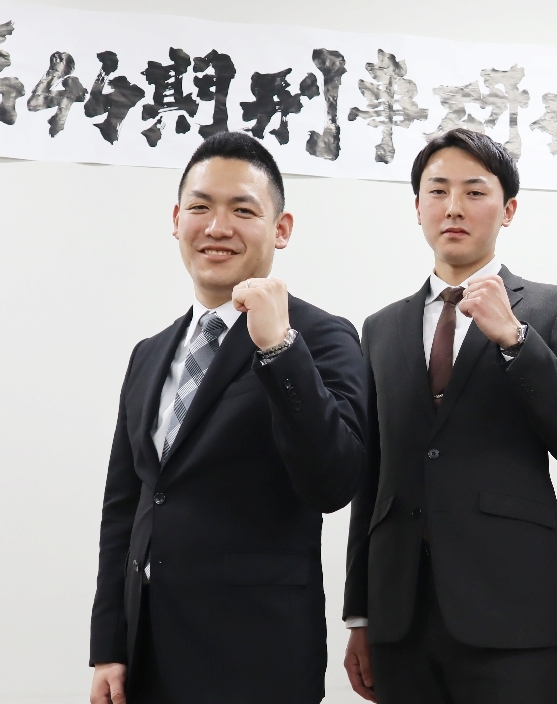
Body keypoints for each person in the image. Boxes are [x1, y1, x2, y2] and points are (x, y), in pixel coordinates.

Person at [88, 132, 368, 704]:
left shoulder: (320, 337)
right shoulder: (149, 353)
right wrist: (109, 646)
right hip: (148, 654)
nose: (217, 227)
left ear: (281, 229)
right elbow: (126, 506)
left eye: (243, 210)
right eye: (200, 207)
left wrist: (279, 349)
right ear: (176, 220)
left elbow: (335, 481)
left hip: (256, 657)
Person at [341, 128, 557, 704]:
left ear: (508, 210)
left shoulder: (554, 308)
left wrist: (516, 340)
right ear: (417, 207)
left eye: (474, 191)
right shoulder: (381, 327)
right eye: (437, 191)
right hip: (399, 613)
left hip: (510, 606)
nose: (454, 207)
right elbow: (373, 474)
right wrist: (360, 613)